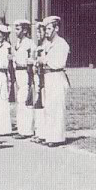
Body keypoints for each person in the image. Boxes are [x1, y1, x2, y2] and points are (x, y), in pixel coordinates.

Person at [40, 16, 70, 147]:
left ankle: (58, 137)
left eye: (49, 28)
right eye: (45, 29)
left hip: (57, 76)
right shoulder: (47, 44)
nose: (46, 31)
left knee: (57, 107)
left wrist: (44, 61)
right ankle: (49, 135)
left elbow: (59, 63)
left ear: (56, 29)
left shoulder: (61, 44)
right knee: (49, 107)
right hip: (48, 77)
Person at [13, 19, 36, 139]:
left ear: (25, 30)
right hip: (18, 73)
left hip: (25, 73)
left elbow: (32, 59)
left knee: (26, 101)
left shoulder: (29, 43)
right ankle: (21, 128)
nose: (16, 31)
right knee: (20, 101)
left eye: (18, 29)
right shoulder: (18, 43)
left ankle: (27, 130)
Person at [0, 24, 13, 136]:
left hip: (1, 74)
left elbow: (5, 64)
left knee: (2, 99)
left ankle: (4, 128)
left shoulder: (6, 47)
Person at [31, 20, 47, 144]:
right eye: (36, 31)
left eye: (39, 31)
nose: (37, 34)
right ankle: (38, 131)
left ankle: (43, 133)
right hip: (37, 77)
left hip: (44, 79)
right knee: (37, 104)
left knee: (43, 104)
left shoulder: (45, 46)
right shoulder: (38, 46)